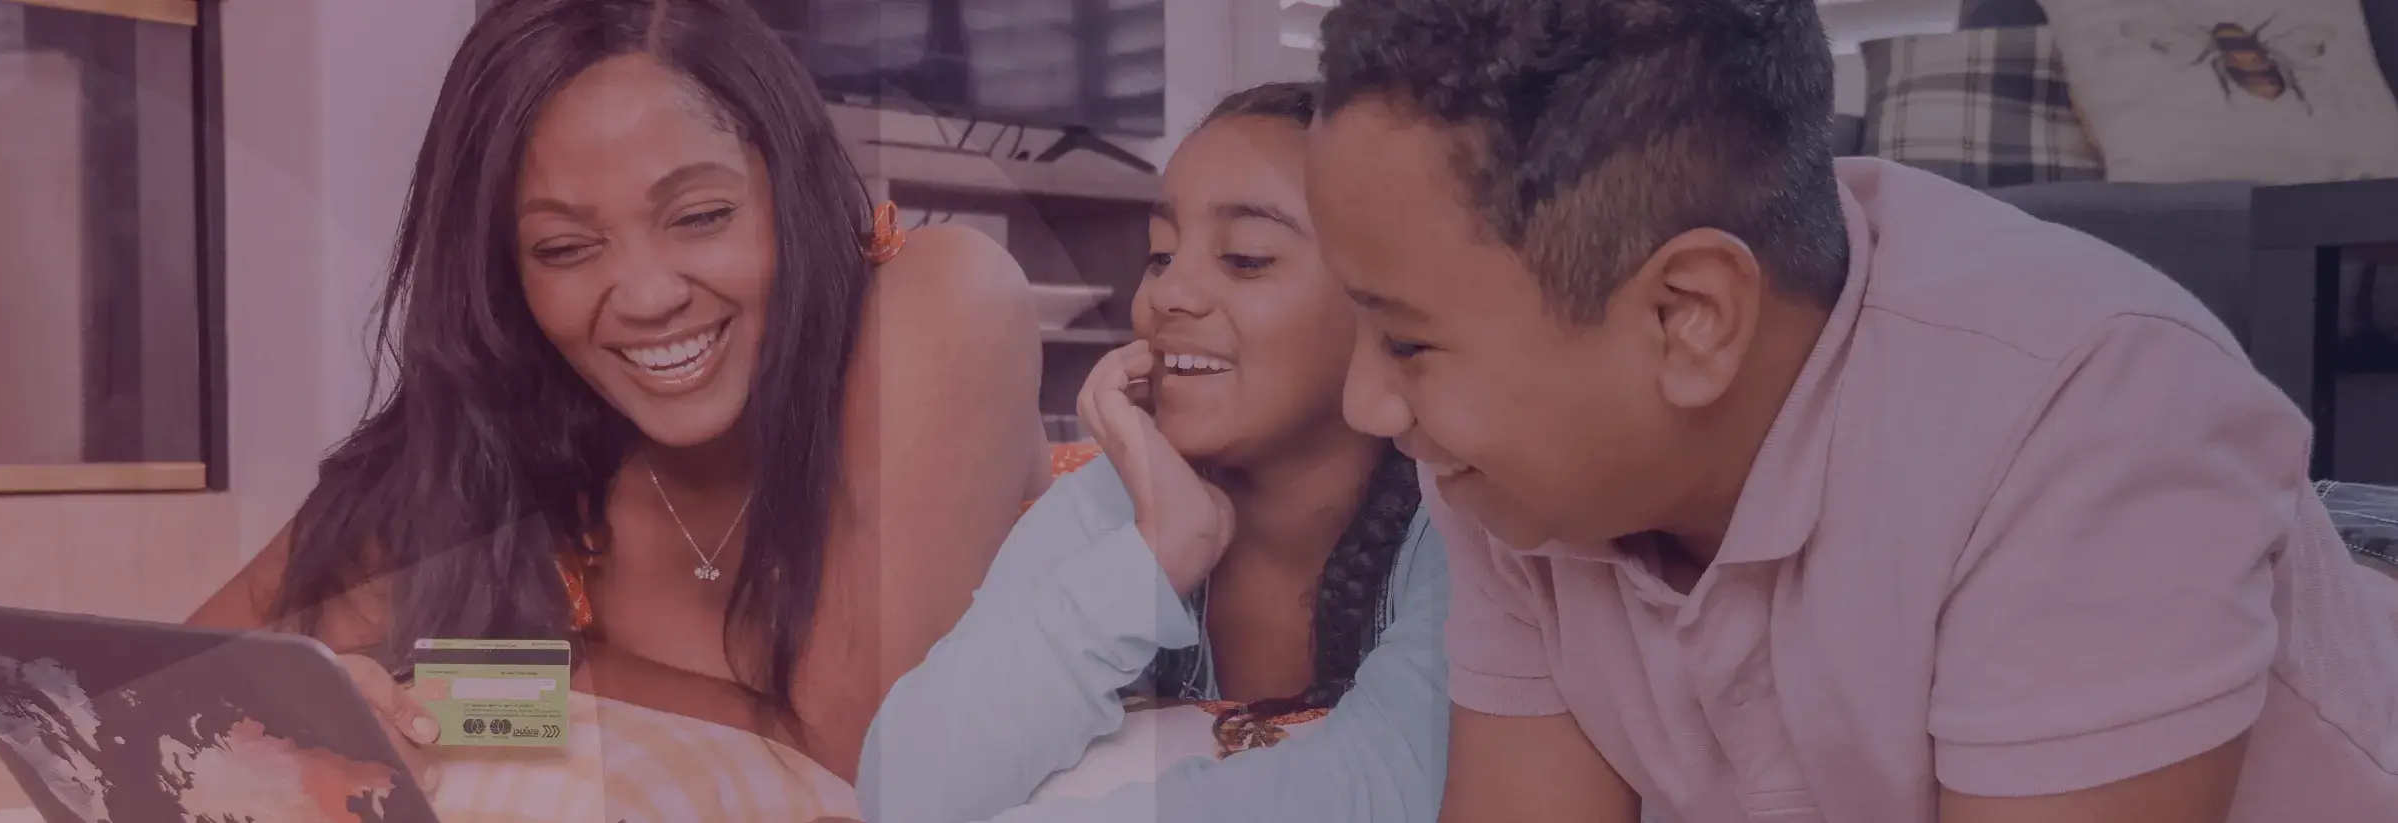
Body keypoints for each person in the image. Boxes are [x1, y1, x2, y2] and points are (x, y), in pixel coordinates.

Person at [1304, 0, 2398, 821]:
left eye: (1406, 341)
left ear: (1687, 315)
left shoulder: (2091, 413)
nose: (1366, 402)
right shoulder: (1513, 466)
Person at [187, 0, 1049, 818]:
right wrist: (338, 703)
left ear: (791, 189)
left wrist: (464, 691)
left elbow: (861, 753)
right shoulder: (504, 442)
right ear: (506, 277)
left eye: (701, 215)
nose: (645, 295)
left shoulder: (937, 301)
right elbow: (156, 683)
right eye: (565, 248)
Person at [857, 82, 1450, 823]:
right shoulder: (1119, 497)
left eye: (1246, 258)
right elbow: (904, 788)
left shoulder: (1461, 523)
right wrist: (1158, 552)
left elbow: (1391, 787)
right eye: (1161, 255)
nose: (1168, 294)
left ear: (1381, 302)